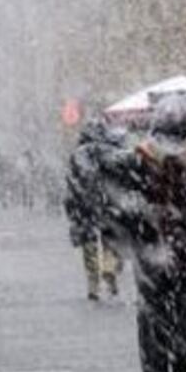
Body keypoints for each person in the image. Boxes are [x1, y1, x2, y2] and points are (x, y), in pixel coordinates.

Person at [101, 96, 186, 372]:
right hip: (184, 253)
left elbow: (109, 182)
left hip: (150, 253)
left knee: (151, 318)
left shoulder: (139, 157)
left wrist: (126, 230)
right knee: (182, 315)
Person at [64, 119, 125, 301]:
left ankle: (93, 284)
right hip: (108, 204)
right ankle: (109, 268)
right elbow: (119, 178)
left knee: (89, 245)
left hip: (84, 207)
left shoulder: (77, 155)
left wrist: (73, 205)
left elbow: (71, 183)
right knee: (111, 241)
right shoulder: (110, 152)